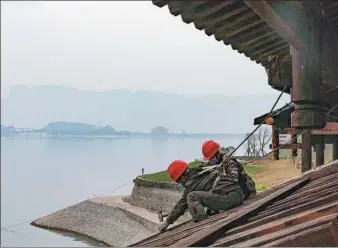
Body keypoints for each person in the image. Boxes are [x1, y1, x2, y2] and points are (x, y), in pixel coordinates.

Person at [157, 142, 246, 232]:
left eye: (178, 181)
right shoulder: (197, 173)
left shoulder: (192, 183)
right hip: (234, 194)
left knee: (191, 197)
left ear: (183, 178)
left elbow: (181, 204)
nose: (179, 184)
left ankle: (202, 224)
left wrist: (167, 222)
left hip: (232, 196)